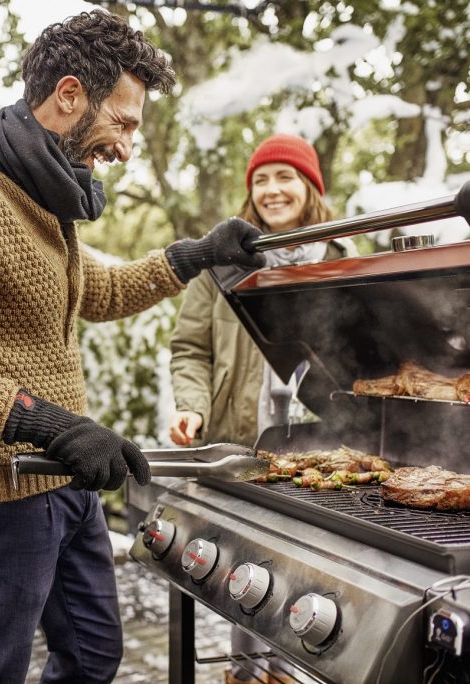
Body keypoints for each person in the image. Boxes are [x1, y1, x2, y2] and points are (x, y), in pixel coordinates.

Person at [0, 10, 265, 683]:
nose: (128, 146)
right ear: (70, 95)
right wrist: (46, 424)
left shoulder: (44, 197)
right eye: (125, 121)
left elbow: (95, 293)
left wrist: (193, 255)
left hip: (60, 480)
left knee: (91, 656)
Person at [168, 133, 355, 684]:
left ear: (310, 187)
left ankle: (301, 672)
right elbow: (190, 348)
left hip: (325, 447)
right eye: (261, 180)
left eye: (285, 177)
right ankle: (248, 675)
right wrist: (191, 408)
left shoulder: (348, 260)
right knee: (249, 572)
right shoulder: (224, 269)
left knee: (319, 579)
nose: (272, 190)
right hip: (243, 444)